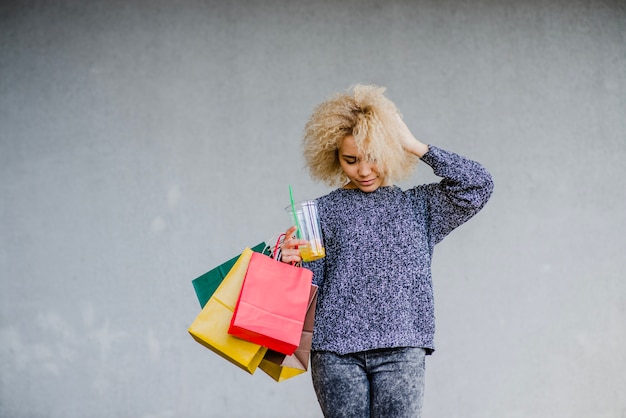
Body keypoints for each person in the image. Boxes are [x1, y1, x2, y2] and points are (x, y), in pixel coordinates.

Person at [280, 84, 494, 417]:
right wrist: (288, 262)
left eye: (374, 157)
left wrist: (415, 146)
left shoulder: (419, 207)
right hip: (335, 353)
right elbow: (309, 289)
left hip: (401, 351)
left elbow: (477, 185)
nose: (363, 171)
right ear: (334, 156)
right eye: (350, 160)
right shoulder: (320, 212)